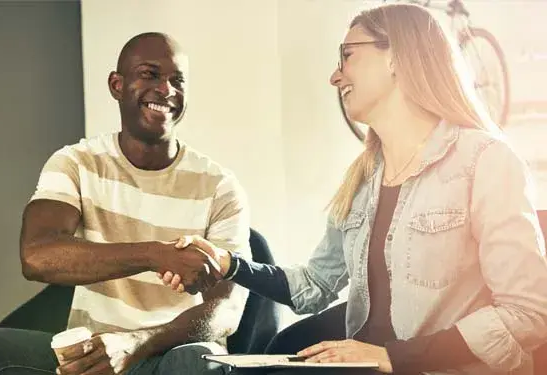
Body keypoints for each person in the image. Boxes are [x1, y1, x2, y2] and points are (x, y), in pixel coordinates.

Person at [159, 4, 547, 375]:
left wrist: (391, 356)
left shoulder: (485, 160)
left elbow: (528, 312)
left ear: (395, 57)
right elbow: (313, 287)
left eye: (347, 56)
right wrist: (228, 264)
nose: (335, 76)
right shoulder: (363, 178)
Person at [0, 32, 251, 375]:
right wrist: (154, 254)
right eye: (150, 74)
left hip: (172, 350)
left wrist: (136, 343)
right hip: (93, 351)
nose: (165, 89)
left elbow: (227, 309)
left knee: (200, 362)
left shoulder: (220, 185)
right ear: (117, 85)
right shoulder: (76, 163)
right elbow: (36, 256)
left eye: (177, 80)